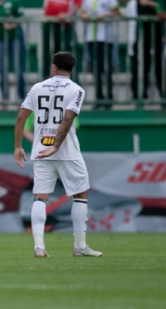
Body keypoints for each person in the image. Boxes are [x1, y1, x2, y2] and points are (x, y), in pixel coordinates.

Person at [14, 51, 101, 258]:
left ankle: (39, 247)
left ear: (53, 67)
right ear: (72, 68)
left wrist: (17, 146)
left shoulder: (37, 88)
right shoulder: (77, 90)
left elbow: (20, 118)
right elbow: (68, 119)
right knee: (80, 195)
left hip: (40, 150)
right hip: (67, 151)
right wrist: (56, 145)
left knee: (40, 198)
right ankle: (79, 246)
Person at [116, 0, 164, 102]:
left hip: (157, 31)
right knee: (140, 62)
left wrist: (149, 3)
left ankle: (164, 94)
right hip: (140, 32)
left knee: (160, 62)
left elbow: (164, 6)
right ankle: (139, 93)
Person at [35, 0, 83, 76]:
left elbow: (77, 3)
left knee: (66, 55)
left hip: (65, 24)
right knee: (48, 53)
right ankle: (46, 80)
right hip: (49, 21)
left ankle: (68, 81)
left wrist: (66, 15)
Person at [81, 0, 120, 109]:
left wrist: (105, 16)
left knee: (107, 68)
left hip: (105, 38)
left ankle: (109, 97)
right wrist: (84, 16)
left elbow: (117, 13)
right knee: (95, 69)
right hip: (91, 38)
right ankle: (99, 97)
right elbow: (82, 12)